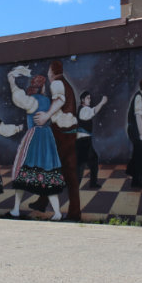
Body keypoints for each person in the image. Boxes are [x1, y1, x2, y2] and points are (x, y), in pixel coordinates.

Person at [7, 69, 65, 220]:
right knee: (49, 174)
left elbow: (18, 97)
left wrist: (12, 81)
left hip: (34, 138)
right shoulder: (48, 102)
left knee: (22, 173)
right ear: (42, 86)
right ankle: (57, 212)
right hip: (47, 138)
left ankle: (15, 209)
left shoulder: (32, 101)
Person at [30, 60, 81, 220]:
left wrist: (46, 115)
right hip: (70, 132)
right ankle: (49, 203)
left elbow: (60, 101)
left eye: (48, 70)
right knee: (67, 172)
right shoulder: (66, 85)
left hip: (61, 133)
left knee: (52, 168)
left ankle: (67, 210)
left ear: (52, 71)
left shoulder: (57, 83)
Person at [76, 91, 108, 188]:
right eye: (88, 98)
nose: (90, 100)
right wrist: (102, 102)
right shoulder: (83, 110)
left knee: (88, 162)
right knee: (82, 164)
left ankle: (90, 184)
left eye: (90, 98)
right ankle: (78, 185)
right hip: (83, 141)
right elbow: (92, 112)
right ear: (82, 100)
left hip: (85, 140)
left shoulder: (84, 109)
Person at [126, 78, 142, 188]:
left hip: (141, 130)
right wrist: (141, 133)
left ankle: (131, 171)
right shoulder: (138, 97)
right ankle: (137, 181)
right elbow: (138, 116)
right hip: (136, 130)